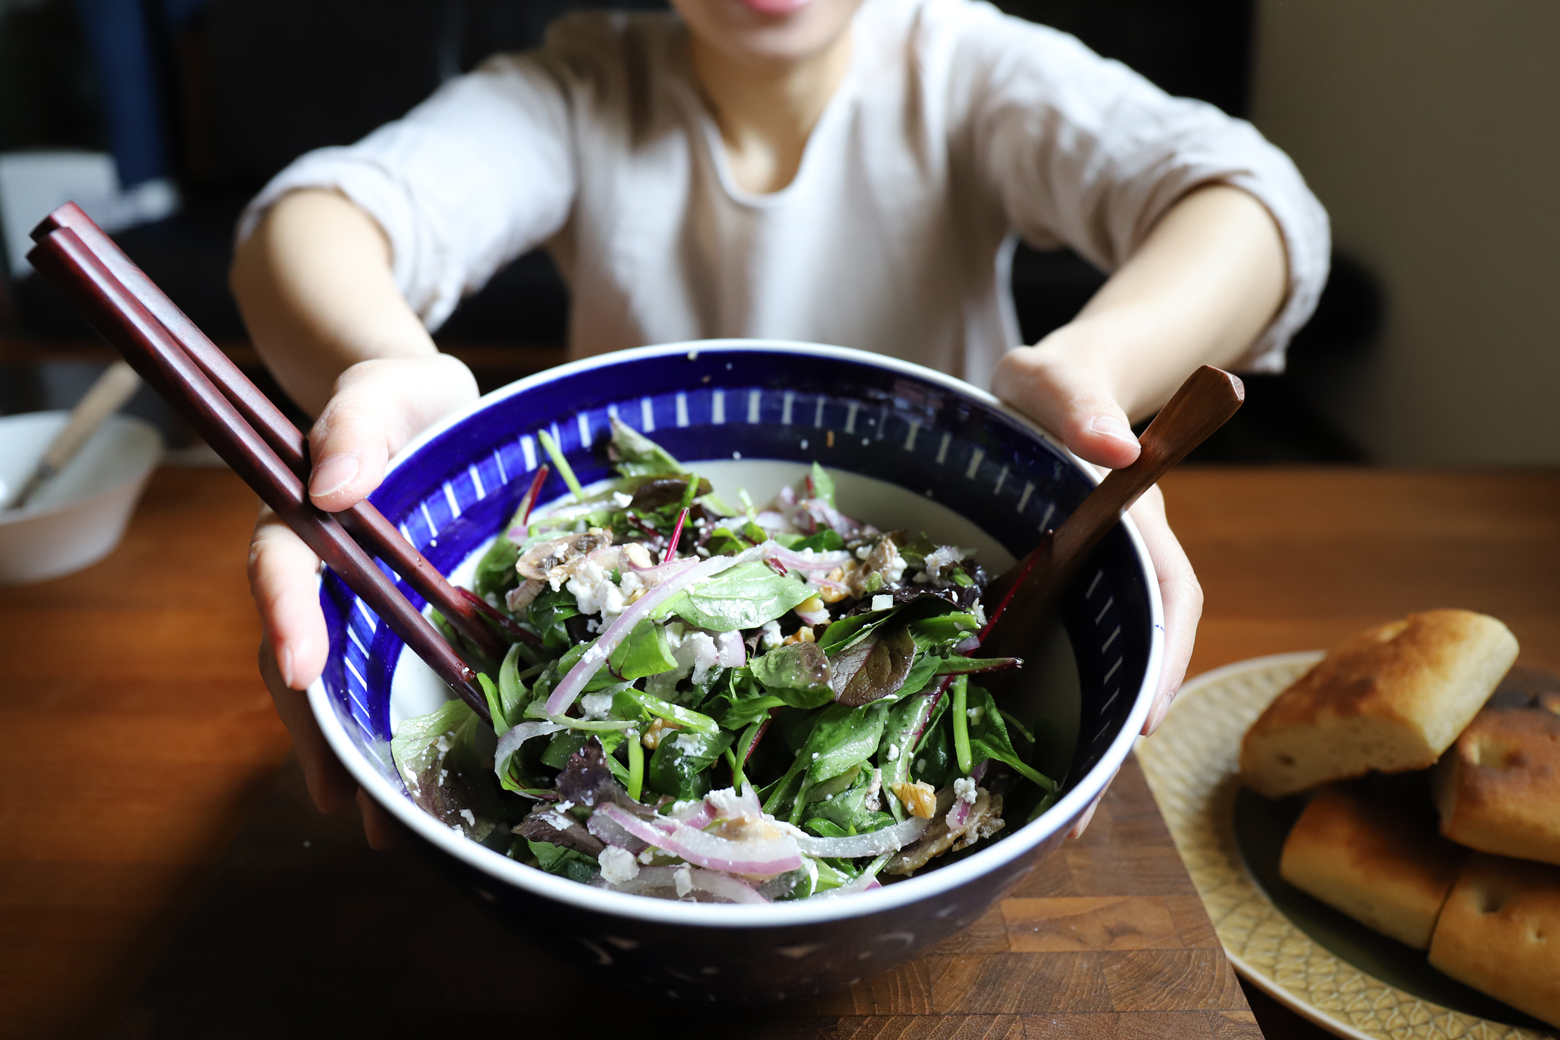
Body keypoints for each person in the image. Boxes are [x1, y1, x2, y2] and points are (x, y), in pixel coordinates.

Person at [232, 0, 1328, 848]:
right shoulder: (578, 87)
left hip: (958, 597)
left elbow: (1252, 202)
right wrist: (385, 375)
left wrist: (1095, 371)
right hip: (606, 596)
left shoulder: (965, 67)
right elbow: (310, 221)